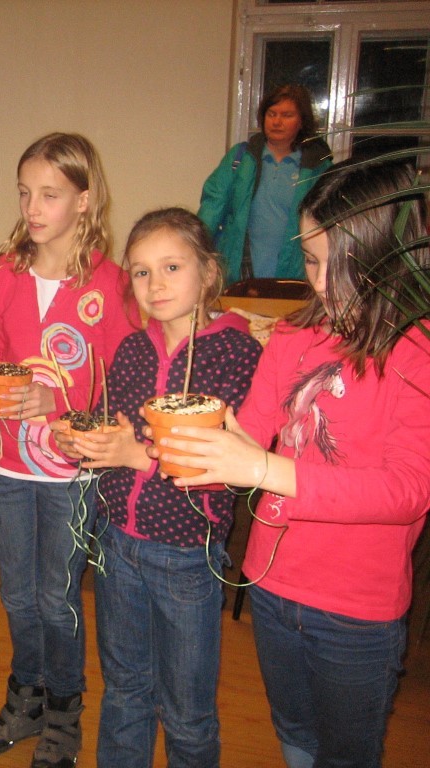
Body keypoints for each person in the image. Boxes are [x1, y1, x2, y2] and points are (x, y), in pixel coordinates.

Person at [158, 159, 430, 768]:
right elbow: (253, 431)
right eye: (310, 260)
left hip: (357, 611)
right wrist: (194, 437)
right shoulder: (293, 335)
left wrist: (265, 471)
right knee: (295, 731)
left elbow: (409, 490)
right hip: (274, 585)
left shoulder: (417, 352)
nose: (322, 282)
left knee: (348, 751)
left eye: (341, 264)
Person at [54, 208, 262, 767]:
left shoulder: (236, 354)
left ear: (208, 272)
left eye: (172, 266)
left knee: (187, 709)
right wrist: (82, 438)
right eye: (142, 272)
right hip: (117, 546)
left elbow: (224, 463)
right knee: (124, 691)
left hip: (188, 558)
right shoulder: (133, 349)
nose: (156, 284)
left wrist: (135, 455)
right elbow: (111, 423)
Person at [0, 132, 136, 768]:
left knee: (56, 599)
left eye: (50, 195)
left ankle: (65, 708)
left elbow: (124, 381)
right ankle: (26, 696)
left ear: (84, 202)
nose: (32, 208)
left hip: (73, 469)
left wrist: (56, 404)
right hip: (8, 460)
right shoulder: (3, 274)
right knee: (16, 594)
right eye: (24, 193)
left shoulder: (113, 286)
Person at [198, 84, 331, 283]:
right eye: (271, 114)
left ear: (302, 121)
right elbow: (211, 208)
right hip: (239, 271)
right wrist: (193, 251)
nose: (277, 121)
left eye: (286, 115)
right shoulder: (240, 158)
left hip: (294, 274)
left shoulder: (318, 166)